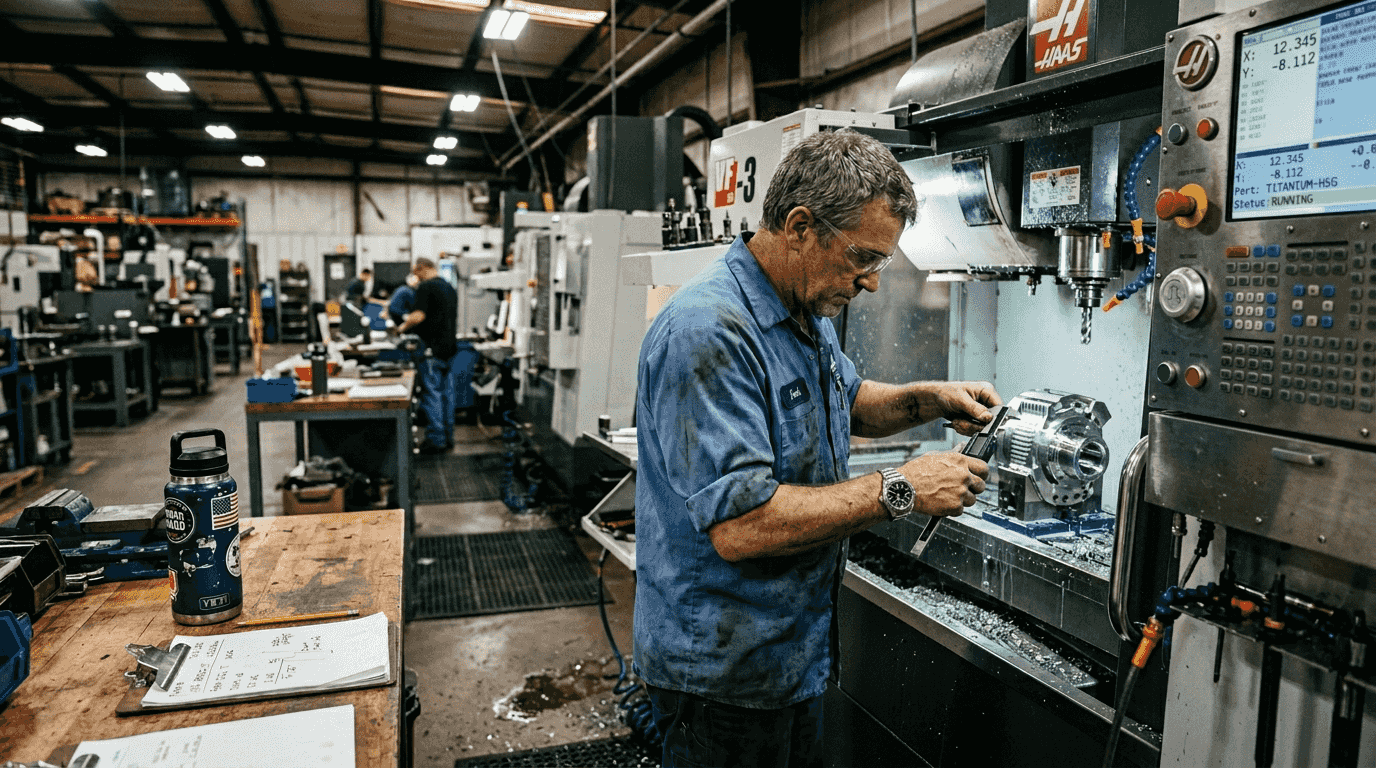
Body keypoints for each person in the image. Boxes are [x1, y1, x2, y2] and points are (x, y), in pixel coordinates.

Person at [633, 129, 1001, 768]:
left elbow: (845, 399)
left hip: (790, 653)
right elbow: (742, 527)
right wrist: (904, 487)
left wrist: (928, 399)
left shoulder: (803, 311)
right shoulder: (710, 331)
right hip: (723, 677)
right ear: (800, 225)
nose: (874, 283)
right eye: (863, 257)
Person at [396, 258, 459, 453]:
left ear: (422, 268)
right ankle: (448, 436)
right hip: (449, 348)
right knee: (446, 394)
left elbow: (419, 315)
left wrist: (402, 327)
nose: (415, 277)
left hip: (431, 349)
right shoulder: (449, 287)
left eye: (416, 272)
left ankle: (436, 439)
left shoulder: (426, 288)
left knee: (432, 394)